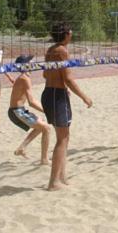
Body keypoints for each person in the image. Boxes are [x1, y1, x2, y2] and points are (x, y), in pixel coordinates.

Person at [43, 23, 93, 191]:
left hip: (49, 93)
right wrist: (84, 96)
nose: (72, 34)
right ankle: (54, 182)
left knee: (64, 136)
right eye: (70, 32)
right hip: (57, 95)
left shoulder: (50, 50)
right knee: (62, 139)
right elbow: (69, 79)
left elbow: (45, 73)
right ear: (65, 35)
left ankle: (61, 176)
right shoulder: (62, 51)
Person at [7, 55, 50, 165]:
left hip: (18, 110)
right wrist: (47, 110)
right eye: (31, 62)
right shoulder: (24, 79)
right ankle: (44, 159)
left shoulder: (24, 78)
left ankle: (21, 148)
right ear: (25, 65)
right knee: (46, 128)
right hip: (17, 111)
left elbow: (32, 100)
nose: (34, 63)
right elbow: (31, 102)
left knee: (42, 126)